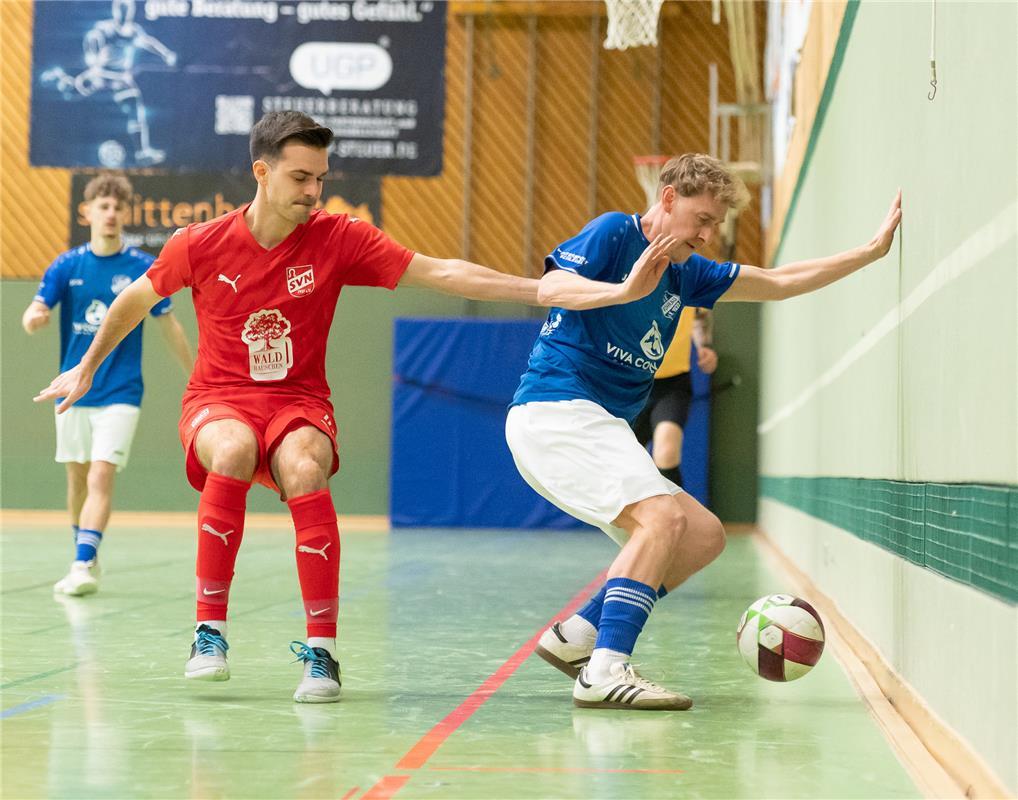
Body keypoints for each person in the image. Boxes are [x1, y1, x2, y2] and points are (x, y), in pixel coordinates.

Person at [33, 111, 673, 704]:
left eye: (321, 178)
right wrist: (85, 367)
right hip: (219, 398)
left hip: (299, 400)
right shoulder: (200, 243)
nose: (314, 191)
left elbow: (443, 273)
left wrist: (546, 291)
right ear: (262, 171)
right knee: (232, 449)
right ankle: (209, 631)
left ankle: (322, 652)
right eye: (301, 177)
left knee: (307, 467)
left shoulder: (338, 239)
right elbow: (132, 303)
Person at [507, 153, 902, 710]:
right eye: (703, 218)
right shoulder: (615, 233)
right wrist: (622, 291)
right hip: (556, 412)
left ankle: (579, 636)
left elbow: (780, 282)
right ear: (667, 199)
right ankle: (605, 670)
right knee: (662, 518)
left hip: (599, 425)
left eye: (716, 224)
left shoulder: (688, 272)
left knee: (702, 535)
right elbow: (551, 288)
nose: (709, 233)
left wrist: (868, 253)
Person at [23, 173, 194, 597]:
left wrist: (198, 371)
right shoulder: (67, 265)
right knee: (77, 479)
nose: (111, 213)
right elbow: (35, 309)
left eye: (118, 207)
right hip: (72, 391)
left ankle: (82, 563)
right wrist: (34, 319)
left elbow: (168, 324)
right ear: (88, 213)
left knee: (101, 474)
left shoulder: (140, 268)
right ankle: (85, 552)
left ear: (125, 214)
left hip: (121, 392)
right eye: (103, 206)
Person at [632, 306, 717, 488]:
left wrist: (704, 345)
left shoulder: (689, 280)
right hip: (629, 383)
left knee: (667, 453)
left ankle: (676, 514)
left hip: (672, 384)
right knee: (624, 460)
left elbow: (701, 313)